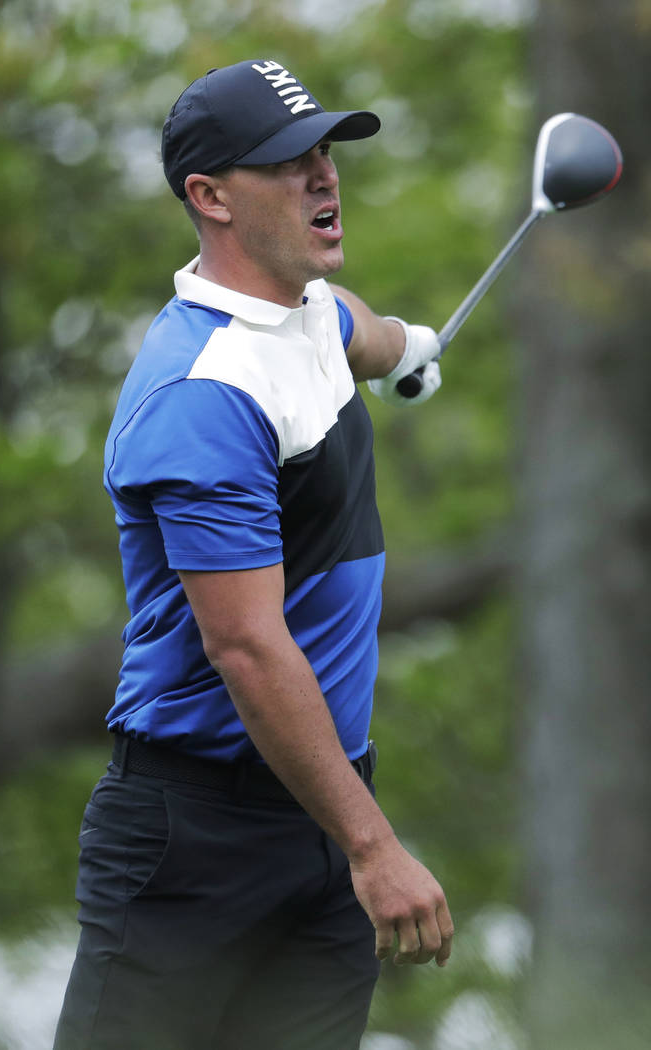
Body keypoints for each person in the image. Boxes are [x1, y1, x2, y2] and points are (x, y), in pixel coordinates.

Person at [53, 58, 451, 1050]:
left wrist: (405, 345)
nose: (324, 177)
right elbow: (248, 650)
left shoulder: (303, 304)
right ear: (210, 196)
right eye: (288, 162)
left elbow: (345, 327)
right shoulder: (205, 394)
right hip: (192, 844)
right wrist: (373, 847)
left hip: (317, 808)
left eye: (325, 152)